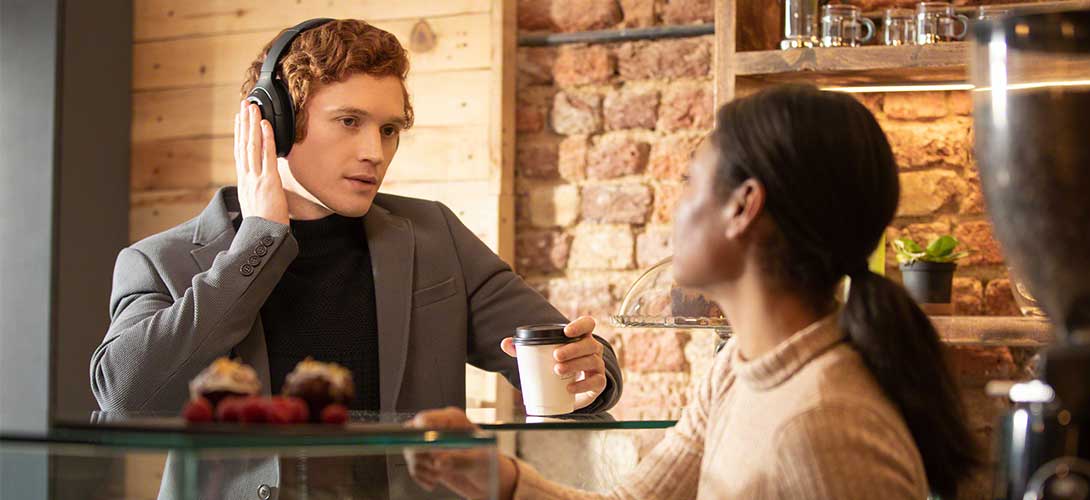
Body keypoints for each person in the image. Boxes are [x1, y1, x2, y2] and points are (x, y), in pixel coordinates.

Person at [89, 19, 622, 499]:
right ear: (272, 120)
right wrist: (257, 243)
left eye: (389, 129)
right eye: (349, 122)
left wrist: (589, 371)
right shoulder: (162, 259)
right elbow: (127, 402)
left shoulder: (436, 237)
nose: (376, 151)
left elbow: (563, 349)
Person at [405, 84, 981, 500]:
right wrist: (495, 477)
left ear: (742, 206)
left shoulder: (825, 429)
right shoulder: (738, 366)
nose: (672, 211)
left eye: (689, 184)